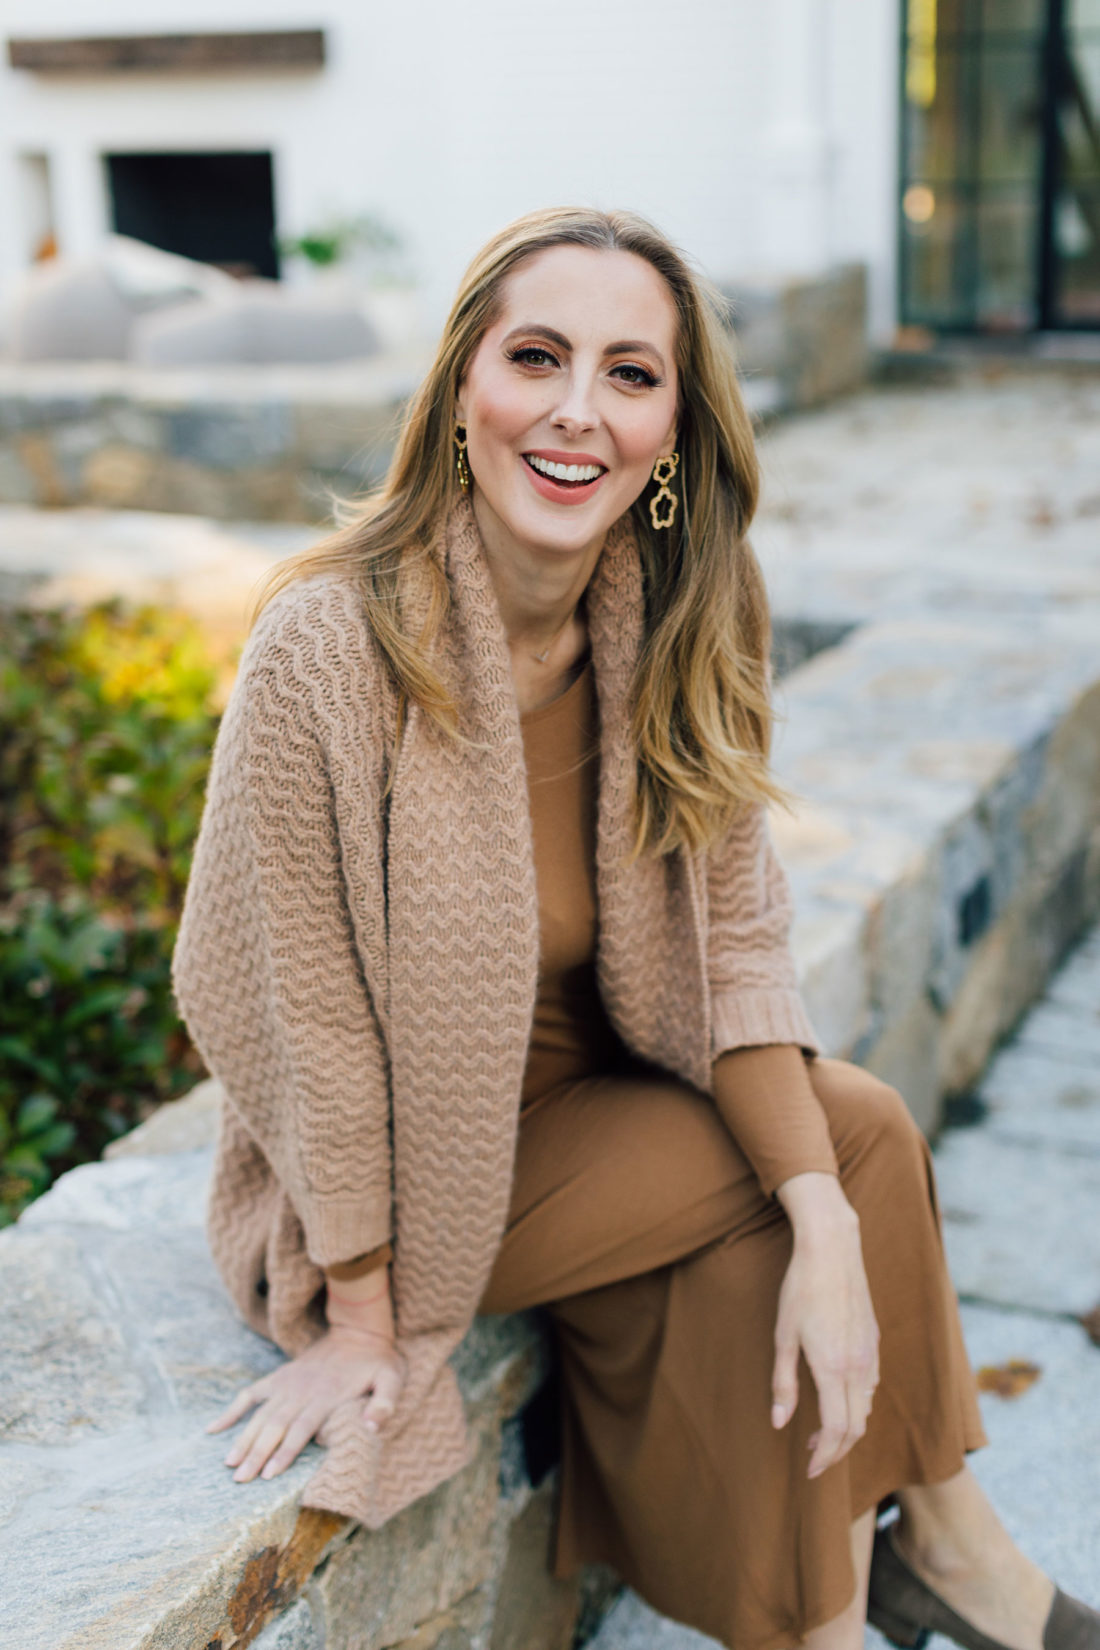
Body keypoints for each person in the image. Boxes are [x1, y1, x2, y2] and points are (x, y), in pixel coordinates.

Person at [172, 207, 1099, 1650]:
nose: (575, 410)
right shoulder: (331, 648)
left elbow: (735, 946)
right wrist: (358, 1311)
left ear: (675, 423)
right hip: (419, 1170)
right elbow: (298, 1014)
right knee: (855, 1137)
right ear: (461, 386)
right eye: (536, 356)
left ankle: (843, 1612)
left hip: (608, 1112)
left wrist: (825, 1239)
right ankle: (959, 1555)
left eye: (629, 373)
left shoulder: (686, 604)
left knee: (769, 1257)